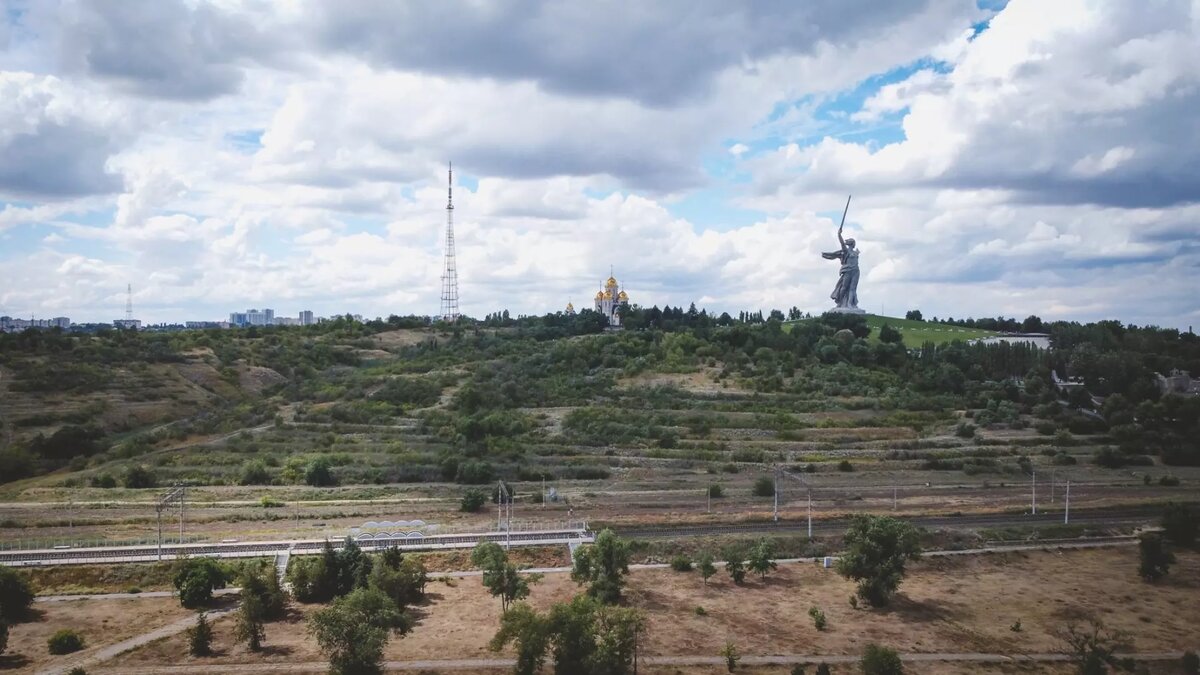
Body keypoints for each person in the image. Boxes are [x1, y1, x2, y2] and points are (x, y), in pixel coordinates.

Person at [822, 199, 860, 309]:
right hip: (848, 271)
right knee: (844, 287)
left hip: (856, 271)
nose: (849, 243)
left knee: (853, 288)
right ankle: (839, 302)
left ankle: (850, 304)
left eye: (850, 241)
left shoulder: (856, 252)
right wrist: (839, 234)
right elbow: (841, 242)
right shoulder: (846, 251)